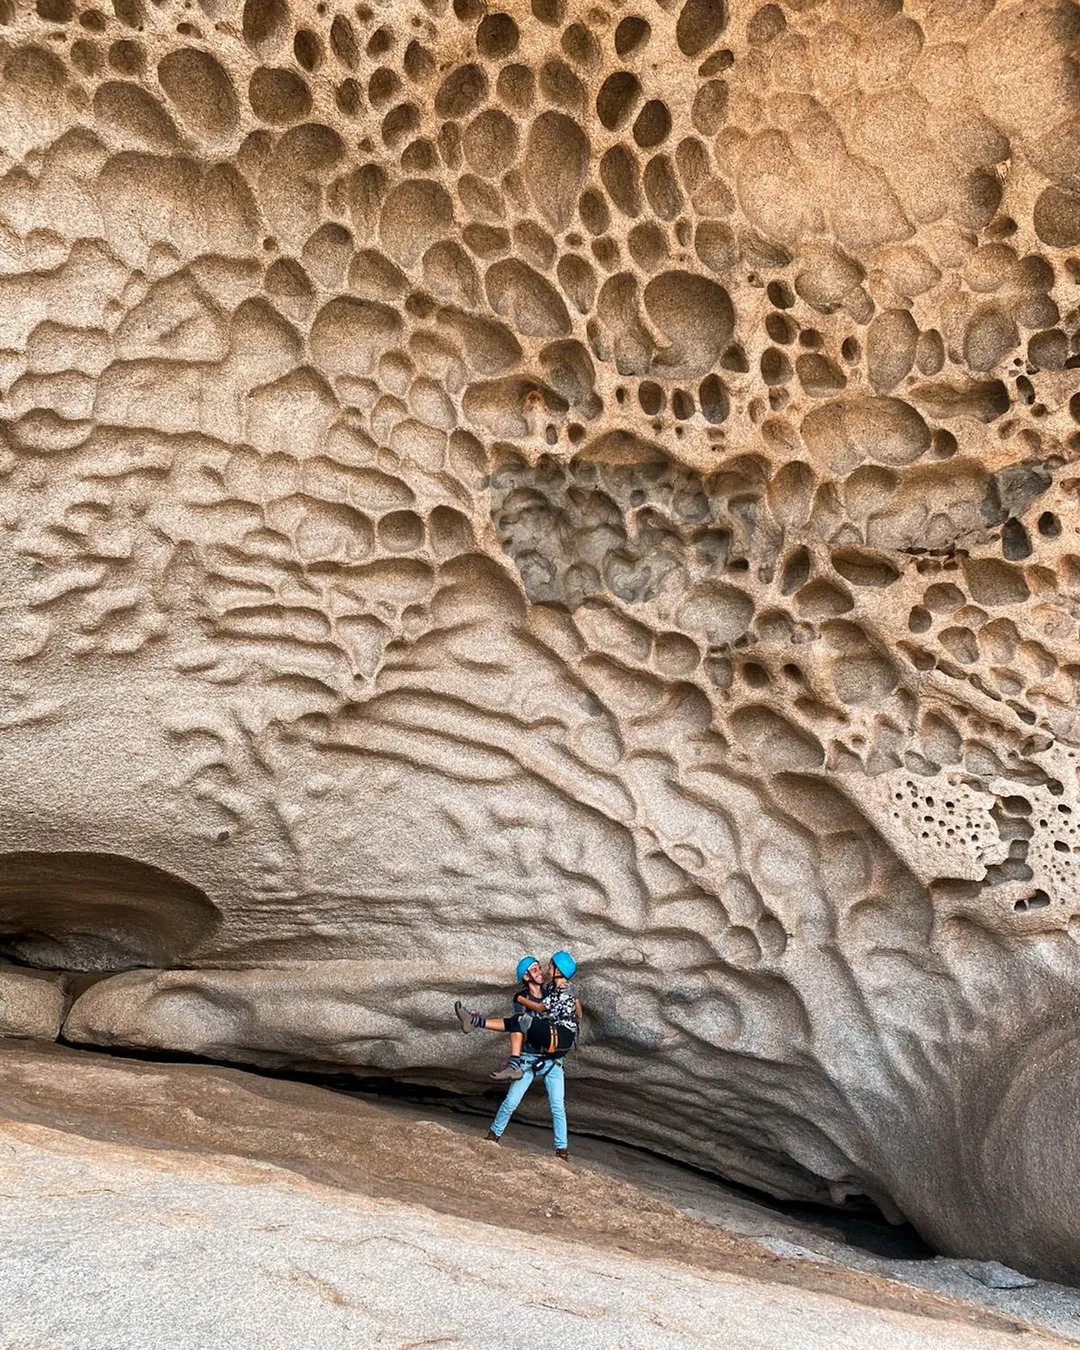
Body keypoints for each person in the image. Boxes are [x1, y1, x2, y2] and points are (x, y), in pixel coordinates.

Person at [455, 951, 581, 1160]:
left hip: (552, 1059)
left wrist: (575, 995)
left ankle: (562, 1152)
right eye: (534, 970)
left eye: (540, 968)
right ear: (526, 976)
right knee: (511, 1101)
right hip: (530, 1056)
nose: (540, 971)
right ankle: (492, 1137)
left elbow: (572, 1009)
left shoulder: (551, 990)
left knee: (558, 1106)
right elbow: (518, 1028)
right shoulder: (521, 999)